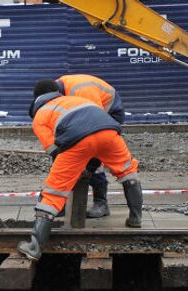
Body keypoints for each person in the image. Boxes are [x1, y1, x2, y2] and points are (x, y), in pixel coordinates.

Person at [18, 79, 143, 261]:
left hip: (78, 141)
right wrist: (89, 167)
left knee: (53, 192)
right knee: (128, 173)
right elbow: (96, 134)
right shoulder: (76, 100)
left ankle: (35, 247)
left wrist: (69, 172)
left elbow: (55, 150)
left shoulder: (40, 116)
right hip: (110, 132)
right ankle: (135, 219)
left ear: (36, 102)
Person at [55, 74, 126, 218]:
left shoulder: (82, 92)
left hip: (107, 115)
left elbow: (94, 121)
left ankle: (101, 203)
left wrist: (89, 166)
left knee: (92, 152)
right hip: (89, 115)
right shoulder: (60, 92)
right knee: (69, 156)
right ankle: (61, 204)